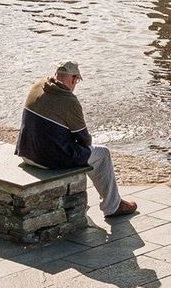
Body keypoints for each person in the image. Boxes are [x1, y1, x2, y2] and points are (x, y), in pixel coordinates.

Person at [16, 60, 137, 219]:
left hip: (27, 153)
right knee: (102, 154)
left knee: (75, 148)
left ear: (56, 75)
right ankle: (113, 206)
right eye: (77, 81)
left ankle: (111, 203)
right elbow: (85, 140)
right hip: (47, 160)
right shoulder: (69, 101)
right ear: (73, 79)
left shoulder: (37, 87)